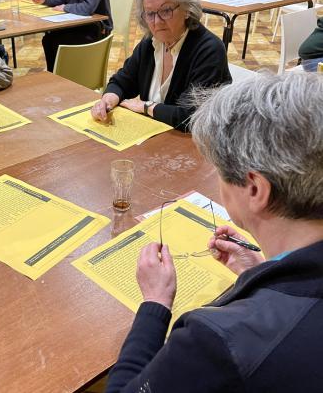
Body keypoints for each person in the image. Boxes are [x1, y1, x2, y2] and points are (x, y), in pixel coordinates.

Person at [106, 71, 323, 392]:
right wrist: (265, 270)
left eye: (220, 170)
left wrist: (156, 303)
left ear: (254, 189)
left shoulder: (217, 341)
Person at [91, 0, 231, 131]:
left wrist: (145, 106)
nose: (156, 22)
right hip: (153, 137)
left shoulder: (209, 50)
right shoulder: (151, 43)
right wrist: (107, 101)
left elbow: (190, 116)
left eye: (166, 11)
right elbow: (122, 81)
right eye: (150, 13)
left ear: (187, 9)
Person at [31, 0, 113, 72]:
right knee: (48, 39)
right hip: (80, 25)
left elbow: (87, 8)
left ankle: (65, 76)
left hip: (96, 29)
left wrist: (65, 8)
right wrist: (44, 0)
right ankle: (55, 76)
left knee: (57, 42)